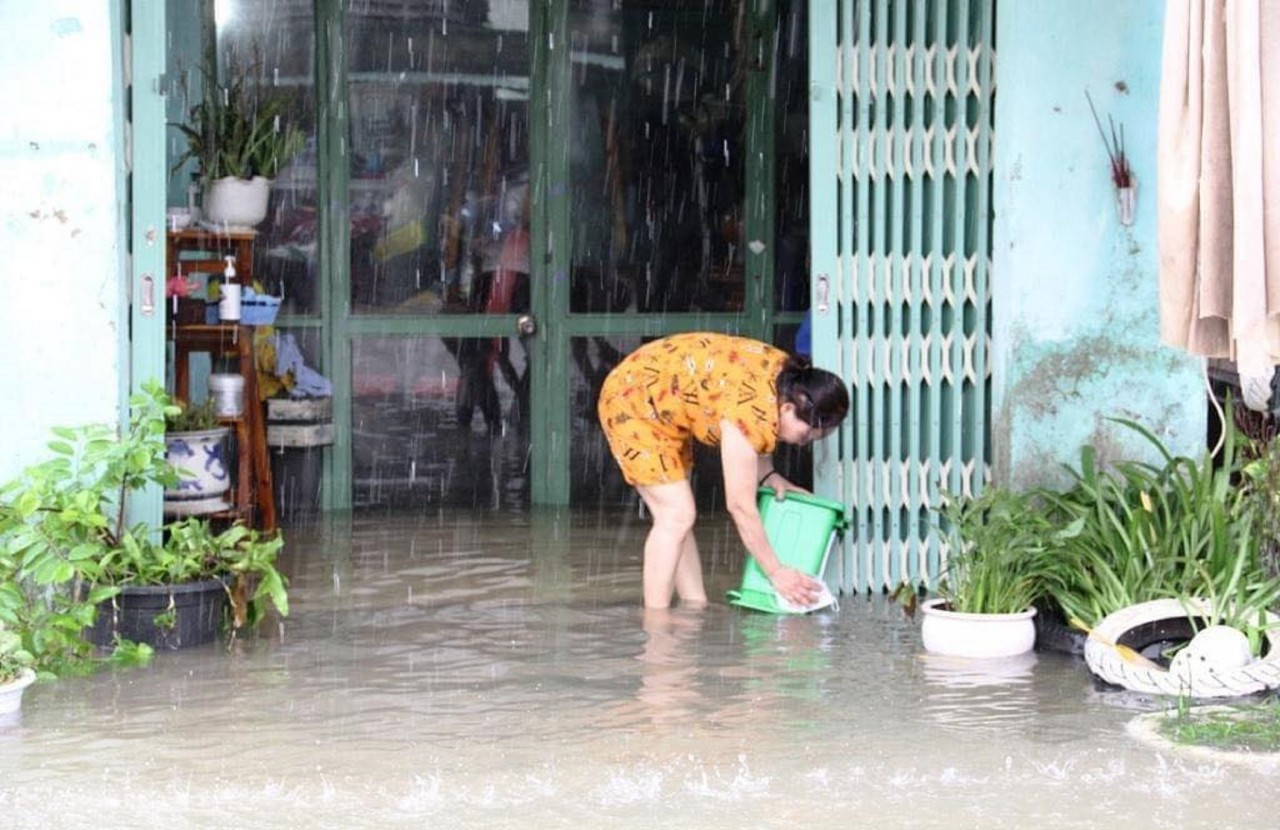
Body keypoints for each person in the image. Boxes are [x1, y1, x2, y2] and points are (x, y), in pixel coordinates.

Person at [597, 332, 850, 609]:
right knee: (676, 514)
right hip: (632, 399)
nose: (803, 443)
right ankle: (656, 626)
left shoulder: (788, 378)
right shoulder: (749, 413)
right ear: (788, 407)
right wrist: (777, 572)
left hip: (659, 394)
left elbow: (760, 429)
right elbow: (740, 506)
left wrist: (768, 476)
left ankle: (694, 608)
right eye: (805, 437)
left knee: (678, 518)